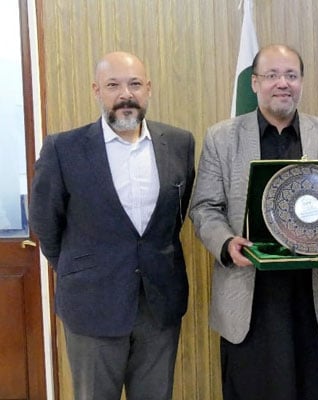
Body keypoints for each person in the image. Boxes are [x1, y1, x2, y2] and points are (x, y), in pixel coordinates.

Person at [188, 44, 318, 400]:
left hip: (314, 296)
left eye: (291, 75)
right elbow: (204, 207)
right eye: (272, 75)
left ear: (301, 82)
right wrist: (226, 243)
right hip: (251, 298)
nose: (282, 83)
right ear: (255, 83)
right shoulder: (222, 138)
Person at [29, 51, 195, 400]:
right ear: (96, 91)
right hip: (92, 304)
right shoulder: (64, 148)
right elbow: (45, 223)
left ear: (148, 89)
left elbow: (175, 217)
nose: (125, 94)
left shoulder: (179, 144)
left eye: (135, 84)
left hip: (159, 305)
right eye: (113, 85)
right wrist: (80, 269)